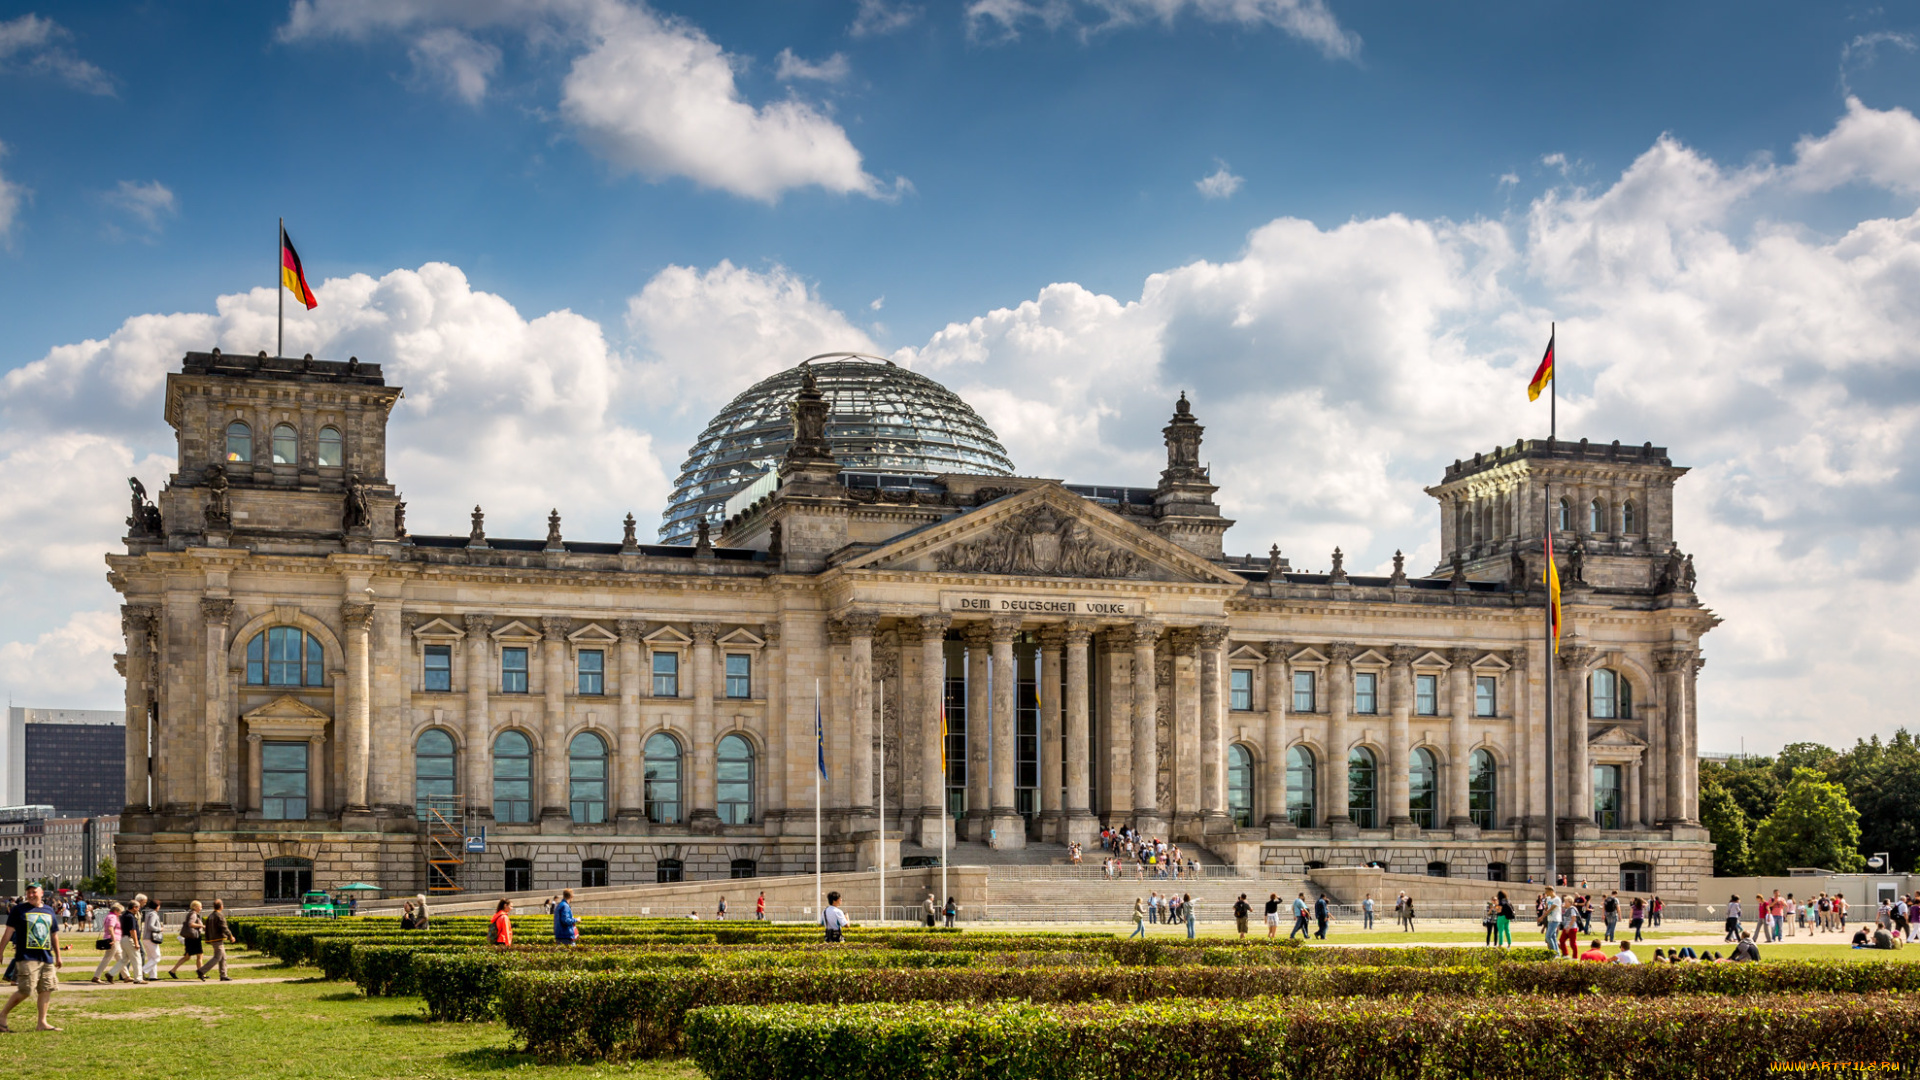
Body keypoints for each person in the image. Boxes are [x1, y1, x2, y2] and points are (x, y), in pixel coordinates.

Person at [0, 883, 61, 1033]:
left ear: (41, 893)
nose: (31, 895)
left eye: (34, 892)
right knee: (26, 989)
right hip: (27, 957)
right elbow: (8, 932)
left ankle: (42, 1023)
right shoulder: (18, 910)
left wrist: (58, 956)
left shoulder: (49, 910)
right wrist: (0, 951)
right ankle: (2, 1016)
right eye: (28, 892)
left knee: (46, 988)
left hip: (46, 957)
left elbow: (54, 934)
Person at [196, 899, 232, 981]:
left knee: (223, 957)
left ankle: (223, 975)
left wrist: (208, 938)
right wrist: (230, 936)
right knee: (217, 957)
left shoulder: (211, 916)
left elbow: (207, 928)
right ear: (221, 906)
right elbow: (224, 927)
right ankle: (201, 971)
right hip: (218, 939)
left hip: (213, 939)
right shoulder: (219, 916)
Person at [89, 901, 124, 983]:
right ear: (115, 911)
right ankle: (96, 976)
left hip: (113, 939)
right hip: (112, 940)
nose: (120, 913)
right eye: (120, 911)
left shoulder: (109, 916)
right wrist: (113, 939)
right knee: (107, 959)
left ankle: (126, 976)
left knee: (121, 958)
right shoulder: (113, 917)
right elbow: (110, 928)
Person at [169, 901, 205, 978]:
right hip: (194, 938)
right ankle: (201, 973)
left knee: (187, 957)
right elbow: (191, 924)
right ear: (195, 907)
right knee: (200, 955)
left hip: (190, 938)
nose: (201, 908)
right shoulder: (193, 914)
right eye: (200, 907)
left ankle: (173, 971)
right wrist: (201, 926)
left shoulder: (191, 913)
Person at [141, 898, 164, 981]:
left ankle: (153, 976)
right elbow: (151, 926)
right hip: (151, 938)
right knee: (157, 957)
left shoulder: (148, 913)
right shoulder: (153, 914)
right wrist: (160, 929)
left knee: (151, 958)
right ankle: (142, 971)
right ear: (157, 906)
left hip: (146, 938)